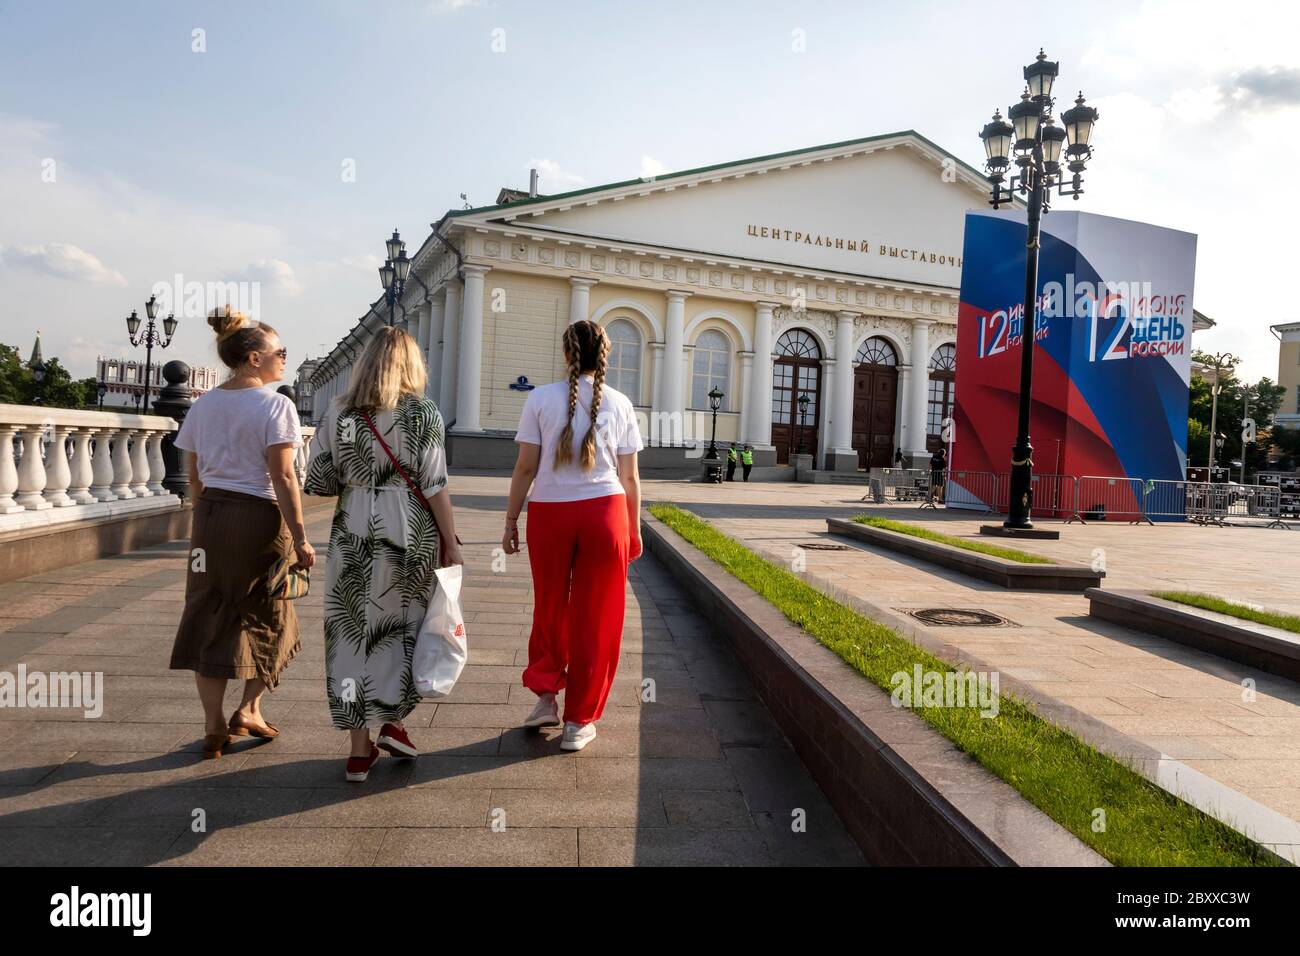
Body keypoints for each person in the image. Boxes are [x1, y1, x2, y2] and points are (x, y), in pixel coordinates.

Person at [303, 327, 463, 782]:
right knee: (402, 628)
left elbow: (318, 481)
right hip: (408, 531)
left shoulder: (338, 412)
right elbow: (434, 485)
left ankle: (359, 752)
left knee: (353, 632)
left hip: (353, 530)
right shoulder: (423, 413)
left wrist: (357, 475)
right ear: (412, 364)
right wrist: (451, 540)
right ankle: (395, 722)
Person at [170, 307, 314, 760]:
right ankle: (249, 708)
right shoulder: (276, 404)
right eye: (280, 352)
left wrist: (205, 514)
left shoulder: (205, 403)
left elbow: (192, 473)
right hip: (259, 519)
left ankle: (214, 726)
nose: (284, 359)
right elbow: (284, 477)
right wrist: (302, 535)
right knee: (270, 610)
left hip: (210, 518)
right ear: (254, 358)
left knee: (208, 610)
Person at [503, 319, 643, 752]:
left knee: (550, 605)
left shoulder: (539, 399)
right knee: (597, 617)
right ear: (606, 354)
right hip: (606, 513)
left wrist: (510, 520)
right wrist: (633, 530)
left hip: (549, 514)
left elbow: (525, 467)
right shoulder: (620, 403)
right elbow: (631, 478)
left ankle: (546, 698)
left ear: (566, 353)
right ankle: (579, 721)